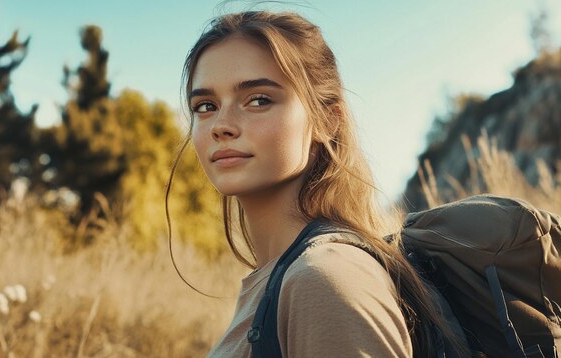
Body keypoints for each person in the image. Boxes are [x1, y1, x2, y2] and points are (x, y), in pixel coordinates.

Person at [171, 10, 463, 357]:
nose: (221, 124)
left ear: (327, 120)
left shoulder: (321, 280)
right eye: (205, 106)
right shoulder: (285, 278)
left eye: (259, 100)